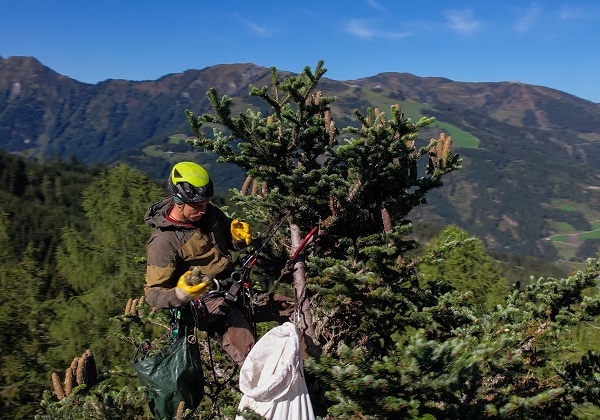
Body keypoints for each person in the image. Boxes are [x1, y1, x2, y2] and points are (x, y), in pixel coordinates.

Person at [144, 161, 262, 365]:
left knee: (289, 311)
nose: (204, 209)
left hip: (234, 286)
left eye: (206, 202)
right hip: (207, 303)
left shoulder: (207, 212)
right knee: (252, 357)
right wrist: (180, 294)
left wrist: (238, 237)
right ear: (178, 202)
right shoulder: (164, 242)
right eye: (198, 205)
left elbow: (230, 242)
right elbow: (153, 294)